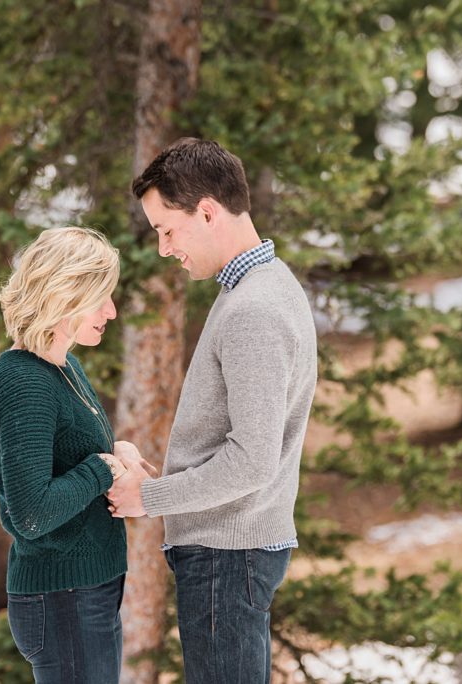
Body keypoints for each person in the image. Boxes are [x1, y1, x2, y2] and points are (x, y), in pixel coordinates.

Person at [107, 138, 318, 684]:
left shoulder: (254, 309)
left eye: (166, 229)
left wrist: (149, 497)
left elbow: (251, 461)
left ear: (207, 211)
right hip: (231, 551)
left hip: (229, 554)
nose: (163, 247)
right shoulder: (257, 288)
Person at [0, 226, 152, 684]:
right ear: (65, 296)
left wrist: (117, 449)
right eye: (101, 298)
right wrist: (102, 469)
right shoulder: (23, 380)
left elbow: (66, 455)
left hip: (85, 593)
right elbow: (31, 512)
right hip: (63, 601)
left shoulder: (63, 366)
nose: (111, 312)